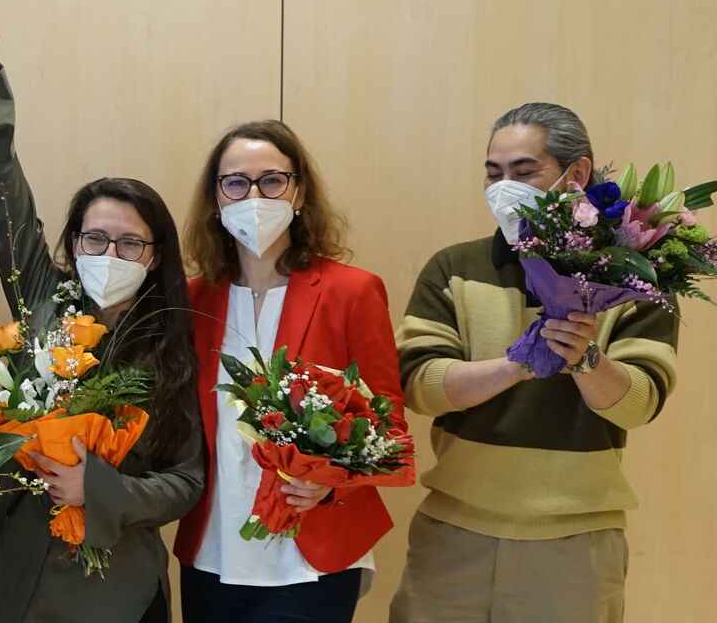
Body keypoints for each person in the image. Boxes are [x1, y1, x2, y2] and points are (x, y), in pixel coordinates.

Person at [0, 0, 205, 622]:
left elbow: (186, 481)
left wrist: (99, 489)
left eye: (129, 241)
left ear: (154, 252)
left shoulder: (174, 341)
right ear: (72, 244)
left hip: (114, 585)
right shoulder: (43, 300)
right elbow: (2, 198)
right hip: (14, 576)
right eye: (94, 238)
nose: (109, 252)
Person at [388, 103, 678, 623]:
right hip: (454, 536)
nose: (505, 187)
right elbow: (420, 387)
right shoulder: (454, 267)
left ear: (579, 174)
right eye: (493, 173)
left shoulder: (636, 277)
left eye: (524, 172)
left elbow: (639, 402)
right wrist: (521, 363)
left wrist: (584, 356)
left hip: (574, 545)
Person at [168, 114, 406, 622]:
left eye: (273, 180)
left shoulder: (352, 291)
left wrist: (331, 478)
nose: (254, 195)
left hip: (311, 548)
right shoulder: (193, 300)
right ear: (217, 199)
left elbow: (390, 427)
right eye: (236, 182)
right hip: (214, 549)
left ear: (299, 194)